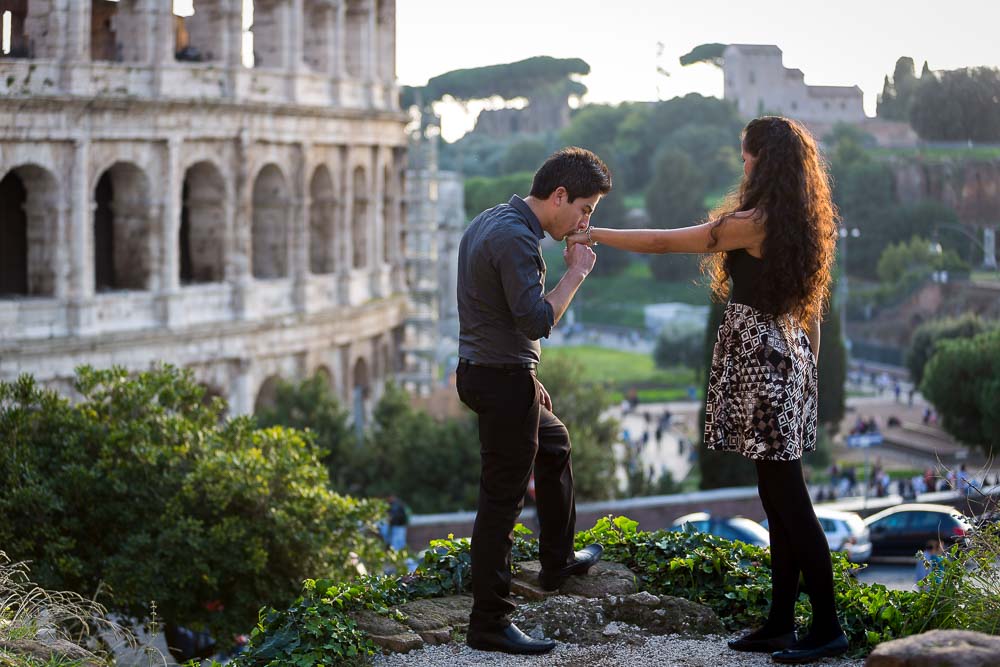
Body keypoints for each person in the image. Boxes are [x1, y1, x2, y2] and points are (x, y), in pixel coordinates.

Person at [567, 116, 847, 663]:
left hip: (762, 364)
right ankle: (780, 624)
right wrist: (807, 374)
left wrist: (595, 232)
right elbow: (811, 314)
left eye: (746, 155)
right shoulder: (801, 222)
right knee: (777, 497)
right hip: (783, 360)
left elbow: (665, 241)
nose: (742, 162)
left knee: (790, 500)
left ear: (762, 159)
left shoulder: (756, 222)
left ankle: (828, 627)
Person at [455, 147, 608, 655]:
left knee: (555, 441)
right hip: (501, 380)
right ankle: (490, 623)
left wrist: (525, 370)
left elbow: (495, 315)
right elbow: (536, 320)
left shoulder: (489, 219)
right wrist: (577, 273)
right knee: (500, 503)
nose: (585, 221)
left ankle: (557, 560)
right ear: (559, 196)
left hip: (486, 371)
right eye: (585, 209)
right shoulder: (517, 238)